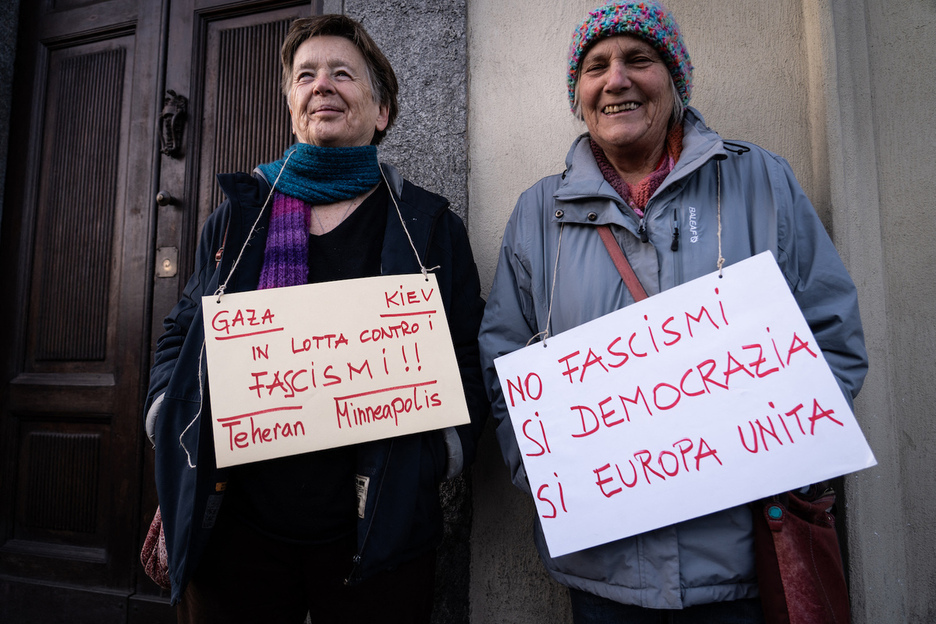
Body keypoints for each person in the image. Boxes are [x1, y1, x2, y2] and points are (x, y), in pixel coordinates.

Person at [478, 1, 868, 622]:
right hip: (603, 570)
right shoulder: (537, 213)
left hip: (746, 563)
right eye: (596, 66)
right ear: (578, 93)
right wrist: (546, 477)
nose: (617, 80)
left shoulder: (760, 181)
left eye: (640, 60)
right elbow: (503, 363)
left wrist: (788, 451)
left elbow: (833, 336)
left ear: (675, 80)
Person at [144, 15, 487, 624]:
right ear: (293, 103)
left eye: (341, 74)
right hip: (237, 526)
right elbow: (183, 332)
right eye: (306, 75)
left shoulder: (428, 225)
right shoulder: (237, 218)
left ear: (382, 112)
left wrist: (438, 455)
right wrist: (171, 416)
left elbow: (467, 357)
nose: (321, 85)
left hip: (375, 530)